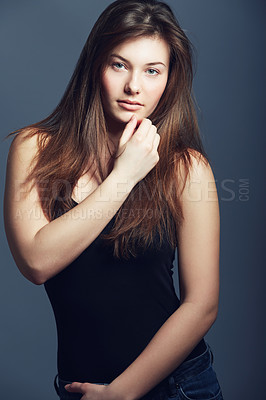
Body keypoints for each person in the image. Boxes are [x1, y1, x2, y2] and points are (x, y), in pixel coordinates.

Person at [4, 0, 223, 399]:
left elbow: (202, 305)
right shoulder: (35, 148)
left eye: (152, 71)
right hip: (79, 388)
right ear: (95, 65)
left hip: (178, 387)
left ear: (169, 79)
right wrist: (124, 175)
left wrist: (121, 393)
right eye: (119, 65)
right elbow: (36, 262)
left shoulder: (186, 168)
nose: (134, 87)